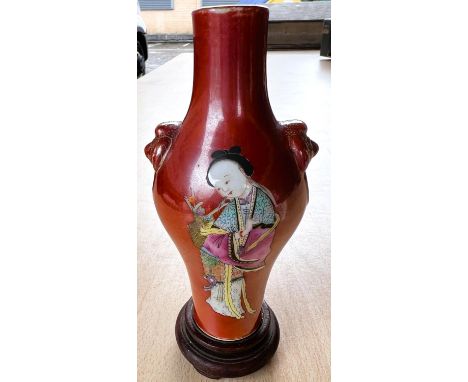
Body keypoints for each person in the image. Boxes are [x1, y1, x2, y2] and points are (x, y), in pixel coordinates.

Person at [194, 147, 280, 318]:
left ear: (242, 172)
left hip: (256, 240)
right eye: (219, 188)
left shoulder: (260, 196)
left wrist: (250, 226)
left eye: (227, 182)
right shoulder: (235, 201)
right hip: (241, 237)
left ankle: (227, 296)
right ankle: (219, 293)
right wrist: (208, 224)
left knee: (215, 246)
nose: (225, 191)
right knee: (210, 242)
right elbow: (225, 222)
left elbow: (268, 218)